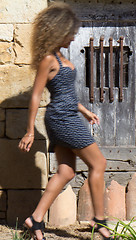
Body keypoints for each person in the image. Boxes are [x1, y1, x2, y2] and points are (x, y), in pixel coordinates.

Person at [18, 2, 113, 240]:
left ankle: (36, 219)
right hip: (62, 119)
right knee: (98, 163)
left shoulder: (60, 57)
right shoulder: (48, 59)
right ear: (58, 30)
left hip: (68, 115)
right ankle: (99, 220)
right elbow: (36, 95)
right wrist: (30, 131)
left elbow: (65, 93)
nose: (73, 37)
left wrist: (83, 110)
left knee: (66, 172)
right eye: (70, 32)